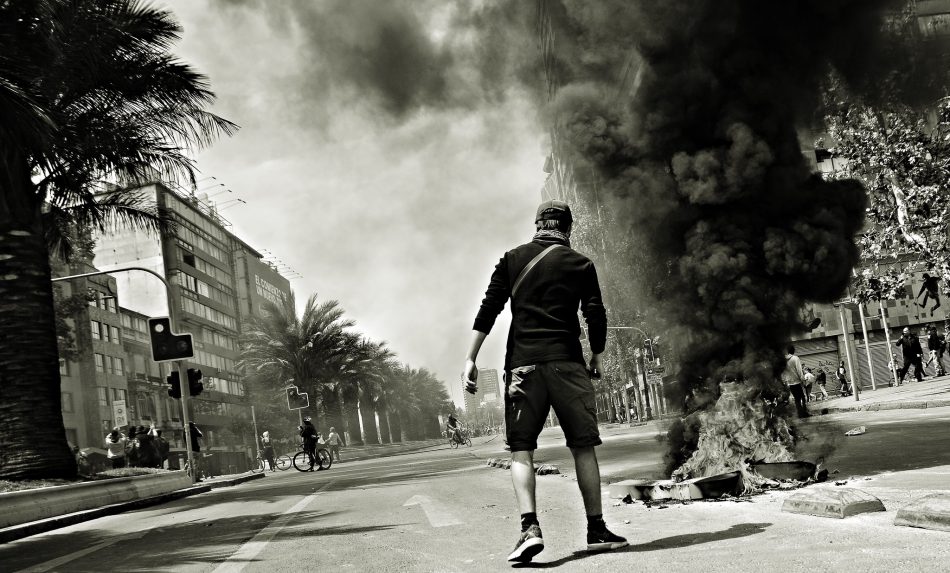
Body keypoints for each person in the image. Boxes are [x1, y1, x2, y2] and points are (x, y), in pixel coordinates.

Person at [462, 200, 627, 563]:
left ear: (537, 224)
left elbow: (489, 307)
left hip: (524, 368)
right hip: (568, 364)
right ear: (568, 228)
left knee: (522, 450)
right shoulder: (581, 263)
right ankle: (597, 529)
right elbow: (595, 313)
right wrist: (596, 355)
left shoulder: (512, 259)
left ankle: (529, 528)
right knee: (583, 447)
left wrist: (471, 358)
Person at [782, 345, 809, 418]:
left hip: (789, 383)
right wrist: (803, 380)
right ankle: (804, 413)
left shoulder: (783, 360)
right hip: (797, 382)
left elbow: (783, 372)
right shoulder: (795, 358)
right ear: (793, 350)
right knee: (802, 397)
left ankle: (800, 413)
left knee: (797, 399)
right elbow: (799, 371)